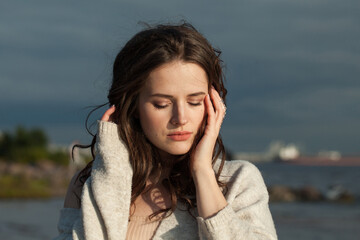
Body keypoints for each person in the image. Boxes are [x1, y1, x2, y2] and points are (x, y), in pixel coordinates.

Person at [54, 22, 277, 240]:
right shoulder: (88, 185)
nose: (181, 118)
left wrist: (202, 172)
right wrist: (111, 170)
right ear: (133, 107)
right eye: (162, 104)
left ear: (214, 103)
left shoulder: (237, 182)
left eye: (195, 102)